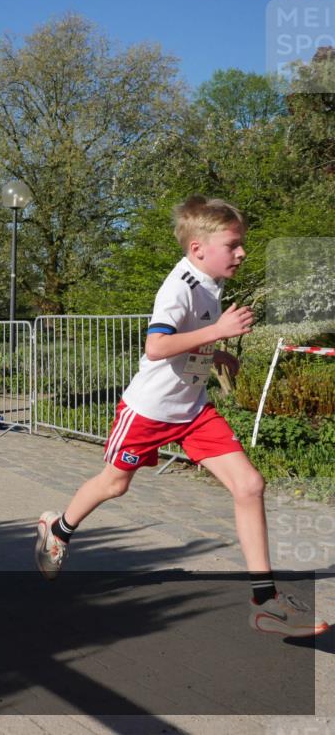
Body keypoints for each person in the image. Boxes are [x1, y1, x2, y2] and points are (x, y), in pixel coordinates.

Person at [34, 196, 329, 637]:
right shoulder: (178, 287)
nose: (242, 252)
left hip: (193, 411)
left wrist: (217, 352)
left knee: (249, 485)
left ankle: (265, 601)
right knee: (115, 484)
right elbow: (156, 347)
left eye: (241, 244)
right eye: (234, 244)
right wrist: (219, 332)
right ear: (198, 249)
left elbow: (189, 340)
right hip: (149, 412)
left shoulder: (210, 282)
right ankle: (57, 529)